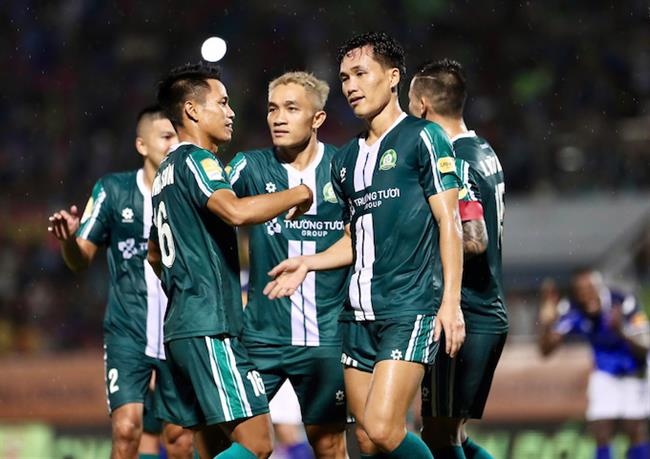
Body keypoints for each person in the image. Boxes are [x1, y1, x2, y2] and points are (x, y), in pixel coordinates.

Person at [264, 32, 465, 459]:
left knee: (384, 429)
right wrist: (309, 262)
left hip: (407, 308)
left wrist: (451, 303)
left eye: (360, 74)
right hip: (355, 317)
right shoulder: (345, 160)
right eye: (344, 78)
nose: (351, 86)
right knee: (368, 442)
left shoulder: (424, 137)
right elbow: (355, 239)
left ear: (393, 78)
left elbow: (449, 222)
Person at [147, 62, 313, 459]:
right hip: (211, 326)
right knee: (258, 444)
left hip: (182, 328)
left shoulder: (164, 173)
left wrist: (185, 282)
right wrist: (299, 193)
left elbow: (154, 254)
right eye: (221, 103)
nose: (231, 112)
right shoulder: (197, 160)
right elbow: (235, 211)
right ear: (191, 110)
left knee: (215, 448)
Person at [47, 106, 194, 459]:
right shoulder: (113, 191)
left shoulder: (193, 192)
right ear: (142, 145)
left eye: (178, 136)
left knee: (179, 441)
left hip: (179, 332)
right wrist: (68, 241)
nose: (174, 144)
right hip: (128, 332)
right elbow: (79, 259)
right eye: (166, 136)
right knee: (127, 430)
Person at [226, 71, 347, 459]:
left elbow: (362, 239)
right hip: (261, 338)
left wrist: (311, 263)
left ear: (317, 118)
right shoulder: (250, 167)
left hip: (326, 338)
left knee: (329, 446)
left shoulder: (344, 167)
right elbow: (215, 205)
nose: (278, 118)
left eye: (291, 109)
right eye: (272, 109)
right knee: (242, 443)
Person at [408, 59, 509, 459]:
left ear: (422, 107)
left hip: (465, 314)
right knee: (453, 432)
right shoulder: (483, 150)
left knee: (438, 434)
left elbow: (474, 239)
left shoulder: (453, 159)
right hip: (487, 308)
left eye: (409, 104)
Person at [538, 269, 650, 459]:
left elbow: (645, 346)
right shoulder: (572, 308)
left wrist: (621, 330)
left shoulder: (623, 302)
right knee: (600, 428)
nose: (586, 296)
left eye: (590, 289)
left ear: (600, 288)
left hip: (635, 369)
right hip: (604, 371)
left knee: (635, 428)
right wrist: (547, 323)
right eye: (580, 291)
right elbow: (546, 351)